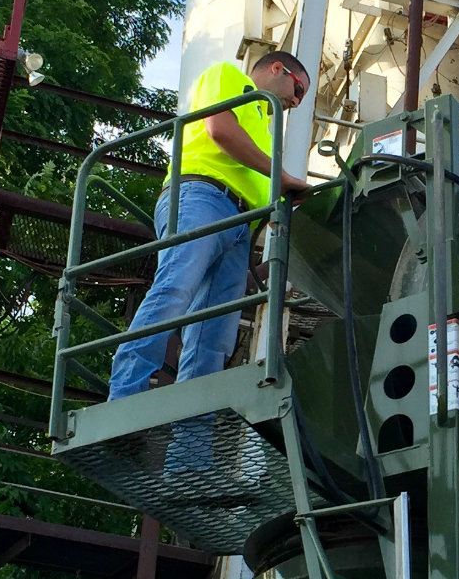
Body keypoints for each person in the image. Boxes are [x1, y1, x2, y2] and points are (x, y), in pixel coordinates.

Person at [108, 51, 311, 399]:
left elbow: (261, 182)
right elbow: (220, 131)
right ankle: (124, 393)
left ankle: (191, 446)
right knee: (175, 287)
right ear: (278, 68)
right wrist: (285, 178)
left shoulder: (264, 128)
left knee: (214, 335)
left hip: (240, 224)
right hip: (202, 195)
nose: (295, 101)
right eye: (298, 89)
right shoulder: (232, 79)